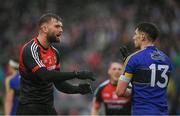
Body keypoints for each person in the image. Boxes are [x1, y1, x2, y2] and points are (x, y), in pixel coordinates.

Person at [17, 13, 95, 115]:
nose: (61, 30)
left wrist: (77, 89)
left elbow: (58, 83)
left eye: (61, 27)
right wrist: (76, 74)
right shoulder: (30, 49)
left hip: (48, 108)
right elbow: (44, 75)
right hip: (30, 108)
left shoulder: (54, 52)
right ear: (44, 28)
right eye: (57, 26)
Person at [116, 22, 173, 115]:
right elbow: (154, 86)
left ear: (142, 36)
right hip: (163, 112)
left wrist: (126, 66)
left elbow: (120, 91)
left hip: (142, 112)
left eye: (135, 34)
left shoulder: (134, 58)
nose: (133, 37)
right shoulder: (167, 59)